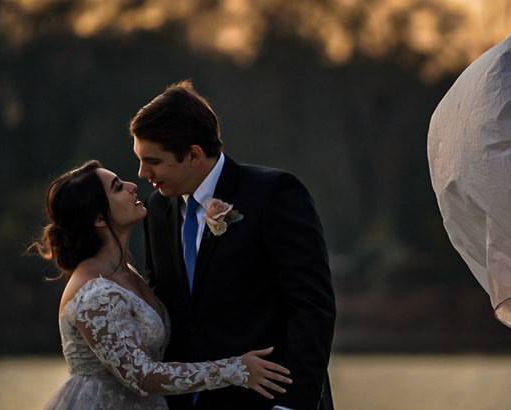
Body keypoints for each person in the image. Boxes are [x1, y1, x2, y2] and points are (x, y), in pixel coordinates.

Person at [130, 81, 336, 410]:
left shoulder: (274, 194)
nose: (143, 173)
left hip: (267, 401)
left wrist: (293, 404)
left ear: (194, 154)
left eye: (153, 161)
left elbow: (312, 306)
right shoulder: (156, 210)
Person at [32, 160, 293, 410]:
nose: (132, 185)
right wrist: (236, 369)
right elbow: (142, 375)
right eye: (117, 187)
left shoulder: (125, 272)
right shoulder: (93, 295)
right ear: (99, 219)